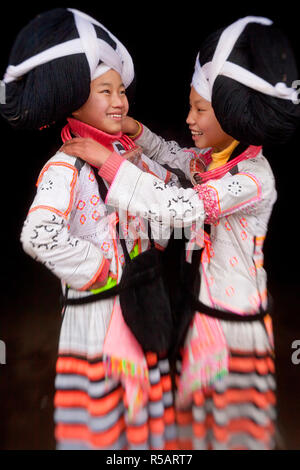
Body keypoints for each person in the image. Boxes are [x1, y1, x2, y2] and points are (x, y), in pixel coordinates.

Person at [60, 16, 300, 449]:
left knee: (235, 434)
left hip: (234, 331)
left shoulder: (252, 177)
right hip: (198, 314)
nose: (189, 118)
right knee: (197, 430)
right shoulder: (213, 160)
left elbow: (182, 207)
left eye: (200, 109)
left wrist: (109, 161)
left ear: (233, 110)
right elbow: (175, 157)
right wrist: (137, 134)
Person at [0, 8, 187, 450]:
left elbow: (171, 196)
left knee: (146, 429)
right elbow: (38, 234)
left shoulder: (128, 155)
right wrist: (103, 268)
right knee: (103, 430)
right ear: (73, 100)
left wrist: (150, 242)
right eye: (105, 91)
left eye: (121, 90)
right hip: (99, 317)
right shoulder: (65, 166)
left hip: (145, 305)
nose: (119, 101)